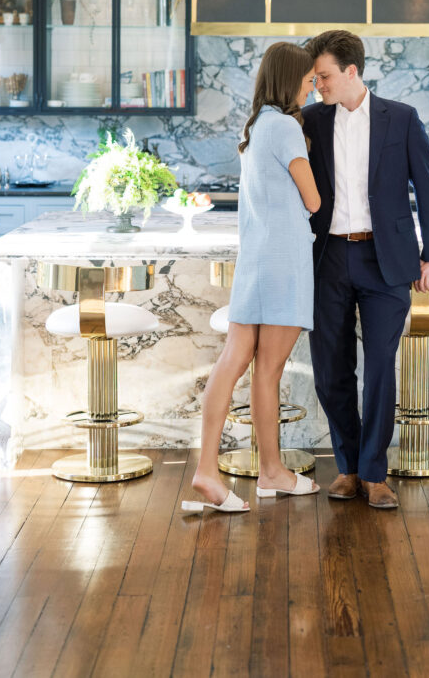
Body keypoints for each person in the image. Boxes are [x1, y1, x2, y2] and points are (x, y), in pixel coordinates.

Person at [302, 30, 429, 509]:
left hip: (387, 260)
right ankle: (346, 468)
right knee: (330, 369)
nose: (317, 84)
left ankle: (374, 471)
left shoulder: (401, 119)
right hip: (327, 257)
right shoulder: (310, 121)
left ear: (351, 71)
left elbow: (428, 188)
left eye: (323, 75)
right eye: (314, 76)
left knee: (381, 367)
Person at [186, 42, 321, 514]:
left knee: (233, 363)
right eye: (307, 82)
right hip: (283, 264)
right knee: (268, 370)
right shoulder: (285, 126)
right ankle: (271, 472)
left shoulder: (260, 125)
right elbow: (313, 200)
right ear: (290, 80)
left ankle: (209, 469)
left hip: (256, 262)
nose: (311, 89)